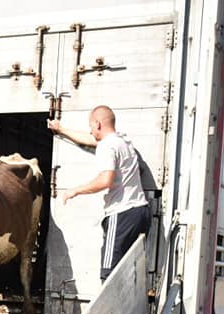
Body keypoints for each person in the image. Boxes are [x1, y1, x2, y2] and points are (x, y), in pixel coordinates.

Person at [47, 105, 151, 281]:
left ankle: (109, 309)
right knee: (131, 273)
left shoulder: (107, 146)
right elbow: (89, 139)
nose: (90, 130)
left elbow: (105, 180)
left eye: (91, 126)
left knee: (109, 274)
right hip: (141, 212)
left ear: (98, 124)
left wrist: (74, 191)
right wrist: (61, 130)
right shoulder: (123, 141)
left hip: (121, 214)